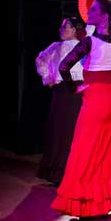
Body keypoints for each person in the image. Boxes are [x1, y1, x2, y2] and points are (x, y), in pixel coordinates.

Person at [51, 0, 111, 218]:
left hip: (96, 100)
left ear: (105, 16)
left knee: (87, 153)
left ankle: (88, 204)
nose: (88, 13)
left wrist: (75, 88)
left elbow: (64, 67)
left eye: (93, 10)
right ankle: (105, 201)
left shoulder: (89, 41)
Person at [35, 17, 87, 185]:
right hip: (61, 91)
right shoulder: (56, 46)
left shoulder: (83, 45)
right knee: (58, 130)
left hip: (78, 91)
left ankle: (74, 172)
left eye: (65, 27)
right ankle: (56, 172)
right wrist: (48, 77)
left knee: (73, 130)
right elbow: (40, 59)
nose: (61, 29)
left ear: (74, 30)